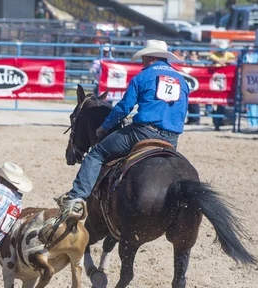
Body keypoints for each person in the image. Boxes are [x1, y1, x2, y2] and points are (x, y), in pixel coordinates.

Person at [58, 40, 189, 218]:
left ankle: (76, 199)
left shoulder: (142, 77)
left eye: (143, 58)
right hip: (172, 140)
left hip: (143, 133)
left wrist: (104, 127)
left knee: (96, 154)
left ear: (151, 57)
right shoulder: (182, 80)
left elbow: (123, 109)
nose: (141, 62)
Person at [208, 40, 237, 131]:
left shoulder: (228, 54)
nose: (223, 51)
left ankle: (217, 123)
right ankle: (217, 122)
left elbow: (234, 59)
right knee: (215, 104)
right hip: (217, 82)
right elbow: (211, 57)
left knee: (221, 104)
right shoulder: (216, 54)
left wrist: (223, 61)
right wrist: (221, 61)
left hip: (222, 83)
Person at [186, 50, 201, 125]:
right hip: (190, 85)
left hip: (196, 86)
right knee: (189, 104)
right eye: (191, 54)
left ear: (197, 56)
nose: (192, 56)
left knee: (195, 103)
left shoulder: (200, 64)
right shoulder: (187, 63)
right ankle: (191, 119)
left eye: (194, 55)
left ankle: (195, 119)